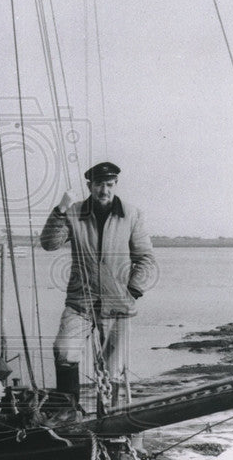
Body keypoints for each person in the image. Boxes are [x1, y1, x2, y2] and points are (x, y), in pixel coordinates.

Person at [39, 161, 156, 411]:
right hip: (80, 303)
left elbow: (146, 259)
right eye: (99, 184)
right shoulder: (74, 213)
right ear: (90, 186)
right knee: (64, 351)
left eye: (109, 184)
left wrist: (132, 292)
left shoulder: (132, 214)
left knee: (113, 370)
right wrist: (60, 210)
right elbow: (49, 243)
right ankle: (67, 413)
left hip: (118, 305)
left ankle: (109, 421)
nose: (105, 190)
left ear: (116, 184)